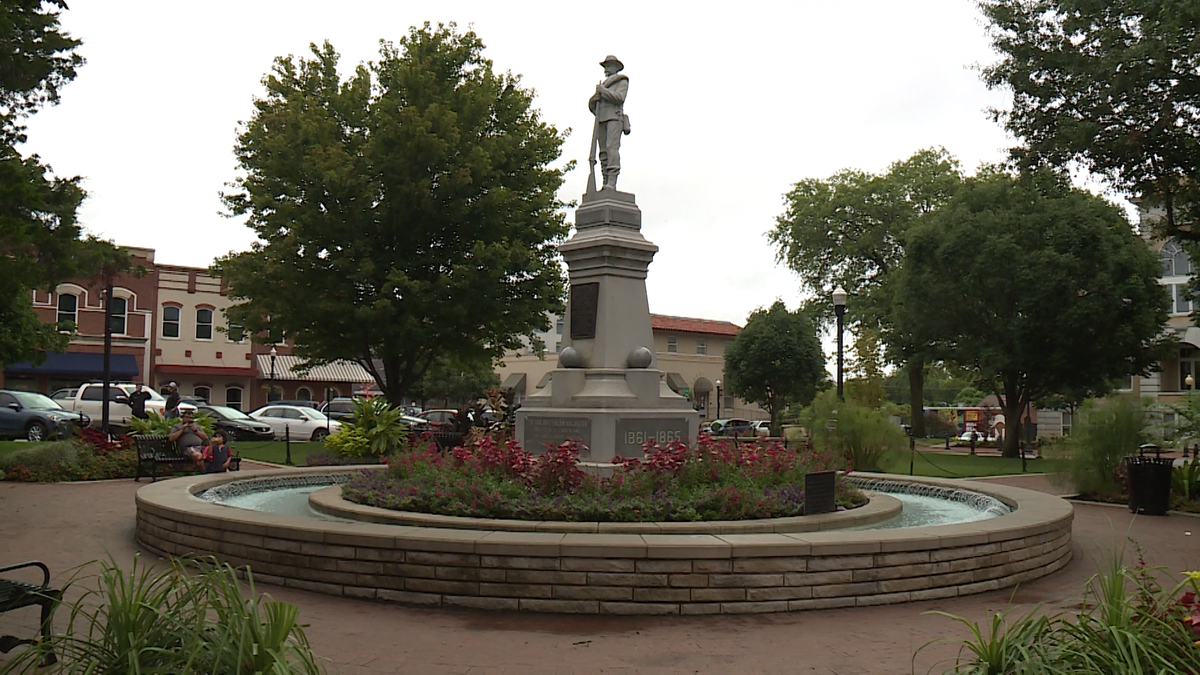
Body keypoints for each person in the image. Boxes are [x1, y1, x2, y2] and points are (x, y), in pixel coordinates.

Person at [588, 55, 629, 191]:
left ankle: (612, 181)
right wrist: (595, 99)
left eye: (608, 66)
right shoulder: (603, 86)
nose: (606, 69)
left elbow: (619, 98)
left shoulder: (621, 81)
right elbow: (593, 107)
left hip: (614, 118)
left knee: (612, 149)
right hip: (601, 119)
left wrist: (603, 92)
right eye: (605, 66)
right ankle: (605, 181)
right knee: (603, 152)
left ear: (615, 67)